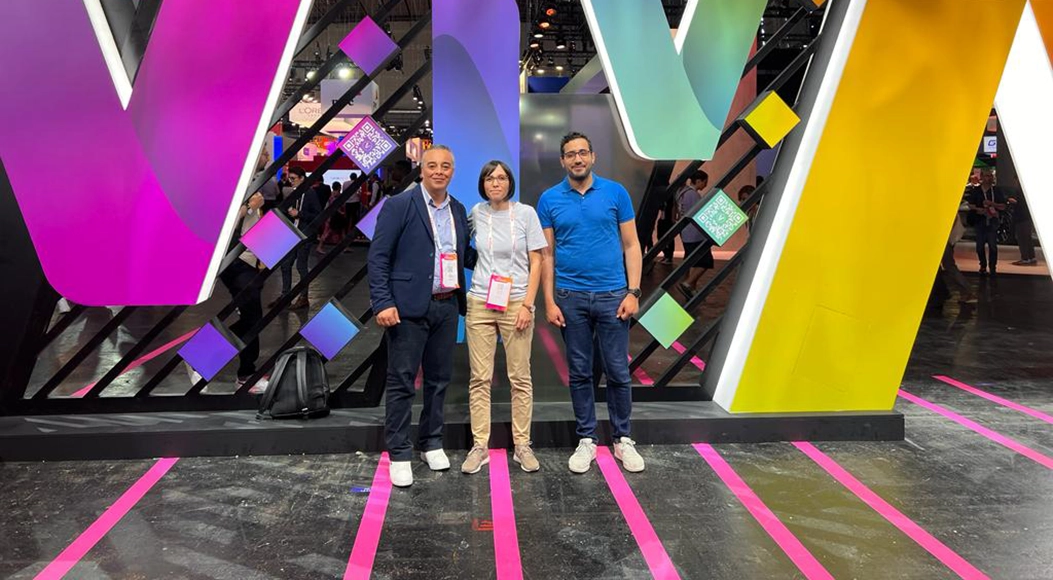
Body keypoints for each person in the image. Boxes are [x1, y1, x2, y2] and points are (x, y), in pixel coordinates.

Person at [539, 131, 646, 474]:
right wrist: (549, 301)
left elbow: (632, 245)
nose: (578, 159)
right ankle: (587, 439)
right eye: (571, 154)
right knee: (580, 373)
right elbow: (547, 255)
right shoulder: (549, 199)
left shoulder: (616, 193)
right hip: (570, 298)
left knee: (617, 371)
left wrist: (633, 292)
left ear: (593, 156)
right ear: (562, 161)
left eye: (583, 152)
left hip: (613, 296)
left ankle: (623, 438)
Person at [367, 145, 472, 487]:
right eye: (432, 165)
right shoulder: (399, 205)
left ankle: (431, 442)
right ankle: (399, 451)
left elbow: (463, 254)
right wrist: (382, 302)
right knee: (401, 381)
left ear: (452, 170)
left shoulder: (458, 209)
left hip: (447, 305)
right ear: (422, 169)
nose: (439, 171)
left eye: (446, 166)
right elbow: (378, 257)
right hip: (407, 307)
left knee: (439, 380)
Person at [461, 160, 547, 475]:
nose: (495, 183)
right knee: (479, 378)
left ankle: (522, 445)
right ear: (482, 184)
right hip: (481, 301)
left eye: (501, 177)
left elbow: (537, 261)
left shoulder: (526, 214)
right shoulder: (476, 213)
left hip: (516, 302)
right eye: (489, 178)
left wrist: (528, 305)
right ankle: (479, 446)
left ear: (510, 182)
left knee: (520, 377)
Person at [219, 192, 268, 392]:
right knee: (252, 319)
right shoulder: (233, 183)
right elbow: (219, 223)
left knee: (252, 319)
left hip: (250, 259)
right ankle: (245, 374)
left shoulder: (253, 184)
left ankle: (202, 357)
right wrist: (248, 208)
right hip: (235, 260)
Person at [272, 167, 322, 309]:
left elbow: (318, 215)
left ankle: (303, 297)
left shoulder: (310, 194)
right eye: (290, 179)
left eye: (293, 178)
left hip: (305, 234)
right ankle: (285, 295)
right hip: (294, 232)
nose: (291, 181)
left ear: (302, 178)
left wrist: (299, 214)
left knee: (301, 265)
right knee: (286, 264)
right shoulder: (294, 193)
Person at [676, 171, 714, 298]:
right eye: (704, 182)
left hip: (687, 233)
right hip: (696, 234)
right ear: (698, 181)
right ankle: (688, 283)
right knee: (705, 261)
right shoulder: (693, 194)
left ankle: (690, 286)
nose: (705, 185)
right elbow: (699, 213)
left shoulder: (682, 193)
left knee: (692, 261)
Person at [967, 168, 1007, 276]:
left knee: (992, 245)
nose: (989, 178)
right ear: (982, 177)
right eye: (986, 176)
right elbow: (970, 204)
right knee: (979, 246)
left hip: (993, 221)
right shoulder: (976, 191)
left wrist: (992, 204)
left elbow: (1003, 206)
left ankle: (992, 267)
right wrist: (978, 209)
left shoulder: (996, 191)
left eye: (990, 176)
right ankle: (983, 265)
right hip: (980, 221)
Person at [1009, 190, 1037, 266]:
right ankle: (1031, 257)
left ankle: (1025, 258)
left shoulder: (1021, 192)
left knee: (1022, 238)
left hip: (1021, 217)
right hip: (1027, 217)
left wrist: (1014, 202)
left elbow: (1021, 204)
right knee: (1027, 238)